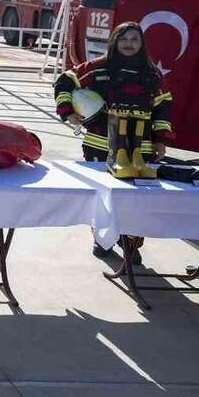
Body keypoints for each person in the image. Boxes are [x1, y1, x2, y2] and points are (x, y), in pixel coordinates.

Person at [54, 21, 172, 263]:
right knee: (102, 198)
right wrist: (67, 111)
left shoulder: (153, 74)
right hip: (100, 146)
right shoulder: (98, 68)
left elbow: (163, 108)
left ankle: (130, 243)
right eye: (124, 39)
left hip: (141, 150)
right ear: (115, 42)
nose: (129, 44)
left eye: (134, 40)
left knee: (137, 201)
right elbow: (65, 81)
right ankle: (102, 240)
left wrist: (160, 141)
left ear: (142, 44)